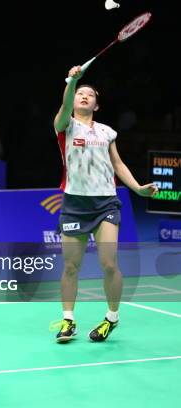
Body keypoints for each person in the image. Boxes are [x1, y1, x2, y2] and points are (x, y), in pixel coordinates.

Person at [51, 65, 158, 343]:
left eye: (90, 95)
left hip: (105, 204)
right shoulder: (64, 125)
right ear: (73, 99)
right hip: (75, 204)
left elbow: (118, 164)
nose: (84, 97)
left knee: (109, 264)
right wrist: (73, 81)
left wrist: (137, 188)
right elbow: (65, 103)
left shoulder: (107, 132)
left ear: (96, 105)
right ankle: (68, 320)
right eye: (80, 94)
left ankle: (111, 318)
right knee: (71, 267)